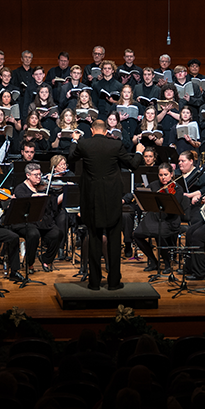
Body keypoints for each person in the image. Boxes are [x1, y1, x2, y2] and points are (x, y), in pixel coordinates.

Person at [68, 120, 144, 290]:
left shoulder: (84, 144)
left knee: (94, 238)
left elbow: (71, 157)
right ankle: (114, 282)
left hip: (91, 199)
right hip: (111, 199)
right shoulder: (115, 145)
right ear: (106, 130)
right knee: (114, 240)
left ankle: (94, 282)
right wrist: (138, 152)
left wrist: (74, 140)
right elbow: (132, 165)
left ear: (92, 130)